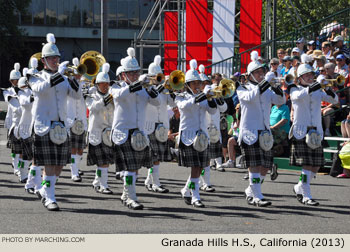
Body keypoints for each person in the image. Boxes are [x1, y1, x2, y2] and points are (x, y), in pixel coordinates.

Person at [29, 33, 82, 211]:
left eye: (57, 58)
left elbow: (75, 96)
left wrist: (76, 80)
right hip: (44, 125)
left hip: (61, 127)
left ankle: (45, 189)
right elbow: (40, 91)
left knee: (59, 165)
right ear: (43, 61)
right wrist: (59, 75)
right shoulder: (35, 76)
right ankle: (50, 197)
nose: (55, 61)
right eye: (51, 58)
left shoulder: (64, 78)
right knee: (50, 164)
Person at [110, 47, 160, 210]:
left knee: (135, 168)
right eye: (131, 73)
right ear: (123, 75)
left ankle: (126, 193)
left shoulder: (143, 88)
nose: (135, 76)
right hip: (123, 132)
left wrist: (151, 88)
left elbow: (157, 102)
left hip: (139, 133)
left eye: (136, 73)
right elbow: (120, 96)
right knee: (130, 167)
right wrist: (138, 84)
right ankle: (131, 196)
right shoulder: (116, 87)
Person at [237, 51, 285, 207]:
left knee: (265, 166)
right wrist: (266, 83)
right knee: (254, 165)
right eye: (257, 72)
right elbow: (251, 97)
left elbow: (280, 101)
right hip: (250, 131)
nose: (260, 74)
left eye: (262, 72)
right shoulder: (242, 88)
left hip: (264, 132)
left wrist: (277, 87)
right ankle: (257, 195)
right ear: (250, 75)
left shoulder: (266, 88)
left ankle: (251, 191)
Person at [289, 63, 338, 206]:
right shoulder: (294, 88)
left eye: (312, 75)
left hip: (316, 132)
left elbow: (334, 100)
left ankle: (299, 187)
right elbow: (297, 97)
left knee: (316, 166)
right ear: (300, 78)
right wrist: (314, 86)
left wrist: (328, 88)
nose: (311, 77)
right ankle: (306, 194)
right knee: (307, 165)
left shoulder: (318, 90)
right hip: (301, 131)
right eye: (307, 75)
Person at [177, 59, 217, 208]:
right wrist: (202, 96)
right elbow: (185, 107)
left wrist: (212, 99)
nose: (197, 86)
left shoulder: (201, 96)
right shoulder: (181, 96)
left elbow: (212, 111)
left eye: (199, 83)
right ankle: (195, 196)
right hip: (188, 135)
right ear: (187, 85)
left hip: (202, 136)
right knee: (196, 166)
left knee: (200, 166)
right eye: (194, 83)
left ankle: (187, 189)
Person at [143, 55, 175, 193]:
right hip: (149, 125)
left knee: (157, 157)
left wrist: (172, 91)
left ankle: (149, 180)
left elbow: (173, 104)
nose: (158, 79)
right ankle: (156, 183)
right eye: (155, 77)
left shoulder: (164, 90)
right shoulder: (146, 88)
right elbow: (151, 97)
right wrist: (162, 87)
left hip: (162, 125)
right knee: (153, 155)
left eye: (159, 76)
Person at [86, 63, 115, 194]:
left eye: (107, 84)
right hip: (96, 132)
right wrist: (106, 100)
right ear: (97, 84)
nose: (105, 86)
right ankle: (104, 185)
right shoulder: (91, 95)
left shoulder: (112, 95)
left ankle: (98, 182)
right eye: (102, 84)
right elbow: (93, 108)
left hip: (108, 132)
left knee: (105, 160)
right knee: (101, 161)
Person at [199, 64, 227, 191]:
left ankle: (206, 183)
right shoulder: (196, 96)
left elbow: (223, 108)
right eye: (202, 83)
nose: (204, 85)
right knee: (201, 161)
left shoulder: (213, 94)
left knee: (209, 155)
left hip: (214, 127)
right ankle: (199, 182)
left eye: (206, 82)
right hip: (201, 130)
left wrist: (219, 97)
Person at [67, 57, 88, 182]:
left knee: (80, 149)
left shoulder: (84, 84)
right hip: (70, 119)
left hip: (81, 119)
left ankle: (76, 167)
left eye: (79, 73)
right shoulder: (68, 83)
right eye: (76, 73)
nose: (78, 76)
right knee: (73, 148)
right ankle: (74, 172)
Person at [3, 63, 22, 178]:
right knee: (15, 147)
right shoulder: (8, 91)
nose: (16, 82)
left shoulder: (24, 90)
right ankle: (15, 166)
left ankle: (19, 165)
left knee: (22, 148)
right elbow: (10, 100)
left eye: (18, 80)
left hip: (24, 121)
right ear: (11, 81)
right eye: (14, 80)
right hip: (12, 121)